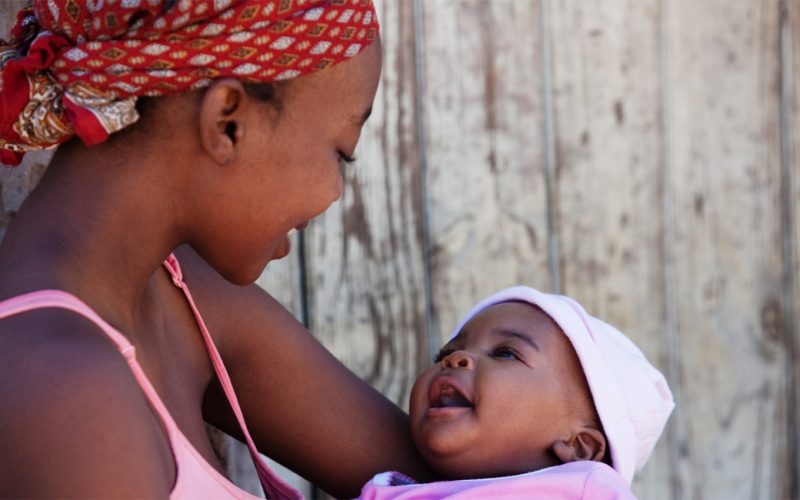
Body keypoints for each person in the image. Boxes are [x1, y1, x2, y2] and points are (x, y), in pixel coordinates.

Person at [0, 1, 433, 498]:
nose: (335, 192)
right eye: (341, 153)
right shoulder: (66, 393)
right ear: (228, 121)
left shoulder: (182, 293)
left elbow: (457, 484)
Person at [359, 286, 675, 499]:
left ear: (579, 447)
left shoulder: (585, 489)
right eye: (446, 353)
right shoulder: (390, 489)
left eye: (506, 353)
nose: (456, 359)